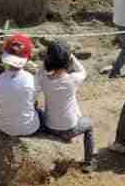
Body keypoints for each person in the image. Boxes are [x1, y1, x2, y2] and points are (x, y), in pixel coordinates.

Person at [36, 41, 95, 172]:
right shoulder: (73, 79)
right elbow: (82, 70)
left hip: (49, 127)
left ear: (48, 60)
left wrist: (46, 61)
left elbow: (39, 73)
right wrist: (71, 56)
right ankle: (88, 162)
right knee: (89, 125)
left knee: (39, 111)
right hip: (69, 129)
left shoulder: (44, 80)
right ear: (67, 61)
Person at [0, 34, 39, 137]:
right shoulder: (31, 79)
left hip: (5, 128)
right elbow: (34, 104)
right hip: (29, 128)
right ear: (27, 57)